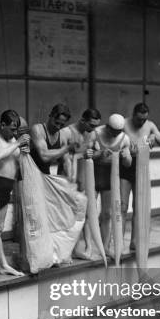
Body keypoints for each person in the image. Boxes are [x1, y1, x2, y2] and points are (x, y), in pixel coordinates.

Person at [0, 110, 30, 276]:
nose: (14, 133)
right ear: (2, 125)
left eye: (17, 130)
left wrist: (24, 153)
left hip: (6, 188)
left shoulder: (13, 139)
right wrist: (17, 144)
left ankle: (2, 264)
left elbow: (15, 161)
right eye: (12, 129)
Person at [121, 103, 160, 250]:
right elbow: (111, 143)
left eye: (144, 120)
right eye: (139, 119)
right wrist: (125, 147)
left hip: (141, 169)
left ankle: (134, 241)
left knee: (139, 207)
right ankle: (119, 240)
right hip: (124, 168)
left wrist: (154, 136)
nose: (141, 123)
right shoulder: (123, 123)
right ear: (133, 114)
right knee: (122, 207)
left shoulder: (150, 125)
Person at [60, 109, 102, 259]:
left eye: (96, 126)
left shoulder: (92, 133)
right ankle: (67, 252)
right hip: (68, 179)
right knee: (68, 216)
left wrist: (93, 154)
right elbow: (62, 157)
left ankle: (88, 248)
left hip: (85, 178)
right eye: (91, 125)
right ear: (83, 120)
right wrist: (77, 157)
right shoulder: (66, 132)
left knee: (88, 214)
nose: (93, 128)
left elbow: (98, 152)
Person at [92, 114, 132, 253]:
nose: (115, 135)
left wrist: (125, 157)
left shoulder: (124, 139)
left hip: (110, 178)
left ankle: (105, 246)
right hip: (93, 175)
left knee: (107, 214)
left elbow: (128, 164)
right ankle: (87, 246)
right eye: (113, 132)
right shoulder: (95, 133)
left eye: (118, 132)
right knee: (87, 213)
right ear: (107, 127)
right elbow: (85, 154)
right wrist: (99, 154)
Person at [30, 103, 72, 175]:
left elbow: (66, 161)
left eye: (62, 125)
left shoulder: (62, 136)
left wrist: (71, 178)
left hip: (45, 176)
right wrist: (65, 149)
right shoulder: (38, 129)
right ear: (50, 116)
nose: (58, 127)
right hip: (30, 174)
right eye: (56, 123)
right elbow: (44, 156)